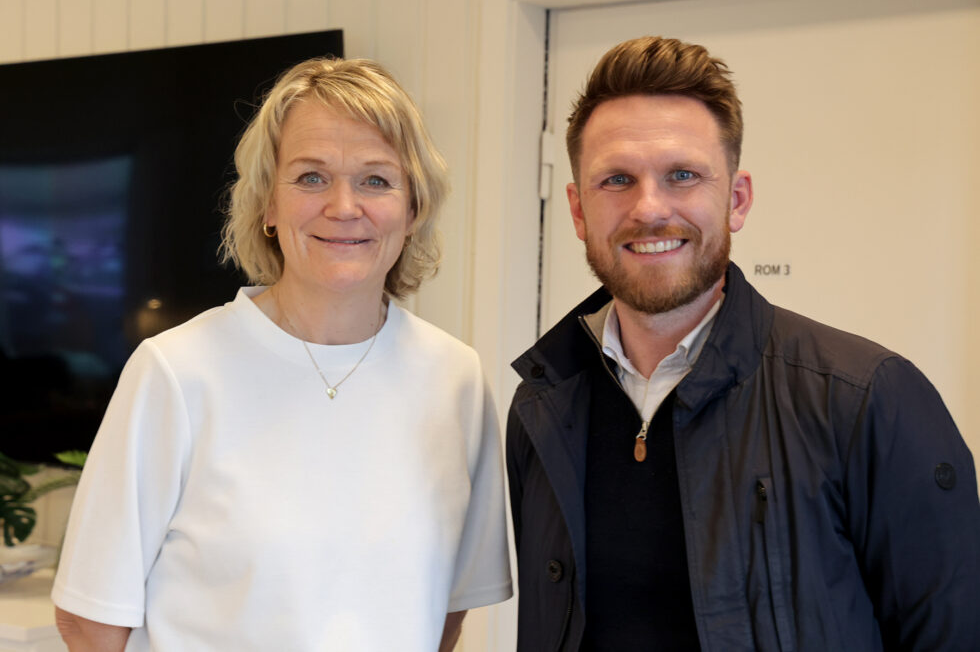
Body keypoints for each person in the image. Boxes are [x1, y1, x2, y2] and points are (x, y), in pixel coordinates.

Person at [506, 36, 980, 651]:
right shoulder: (542, 405)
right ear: (577, 210)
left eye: (682, 175)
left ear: (736, 199)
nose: (649, 208)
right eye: (617, 179)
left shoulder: (869, 400)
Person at [52, 57, 512, 651]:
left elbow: (448, 607)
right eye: (311, 177)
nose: (343, 206)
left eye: (376, 180)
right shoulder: (176, 372)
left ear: (414, 207)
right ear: (267, 204)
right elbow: (89, 618)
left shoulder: (455, 379)